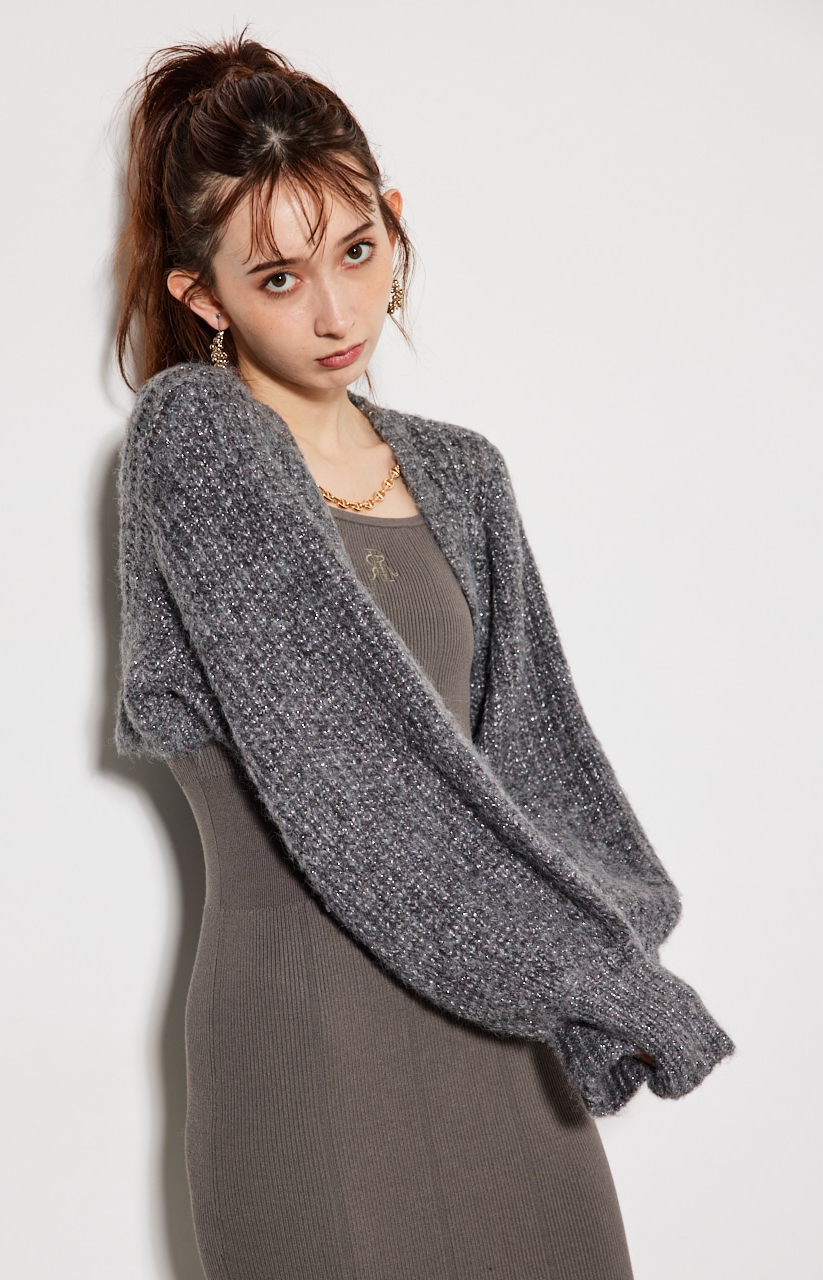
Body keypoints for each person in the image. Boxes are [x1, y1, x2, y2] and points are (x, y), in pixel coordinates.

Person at [114, 34, 733, 1280]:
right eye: (277, 276)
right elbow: (364, 785)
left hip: (503, 1030)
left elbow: (542, 770)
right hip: (314, 1037)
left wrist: (618, 955)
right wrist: (605, 976)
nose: (335, 311)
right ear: (201, 295)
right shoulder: (194, 439)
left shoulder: (461, 471)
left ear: (393, 222)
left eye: (357, 251)